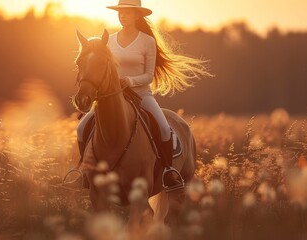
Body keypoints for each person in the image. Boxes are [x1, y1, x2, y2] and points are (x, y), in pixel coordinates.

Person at [75, 0, 213, 189]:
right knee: (82, 127)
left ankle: (167, 171)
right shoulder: (110, 40)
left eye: (127, 12)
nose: (122, 15)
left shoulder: (147, 41)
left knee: (164, 128)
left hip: (141, 94)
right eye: (120, 12)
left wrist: (130, 81)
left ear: (137, 15)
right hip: (112, 96)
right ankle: (84, 172)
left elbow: (148, 75)